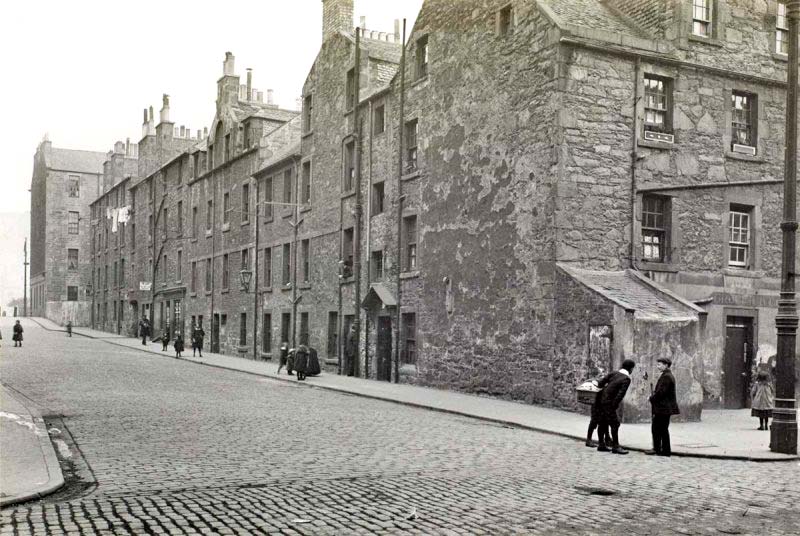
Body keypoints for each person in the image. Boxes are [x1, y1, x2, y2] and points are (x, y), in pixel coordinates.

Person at [596, 358, 636, 455]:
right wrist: (614, 405)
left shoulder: (613, 373)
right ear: (630, 369)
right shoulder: (626, 379)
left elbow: (600, 383)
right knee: (615, 424)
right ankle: (615, 446)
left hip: (601, 401)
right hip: (610, 403)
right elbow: (620, 394)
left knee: (602, 422)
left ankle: (601, 444)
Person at [647, 357, 680, 457]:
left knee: (658, 429)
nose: (658, 366)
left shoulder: (666, 376)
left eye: (659, 364)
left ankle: (659, 449)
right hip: (664, 408)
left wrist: (651, 398)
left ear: (666, 365)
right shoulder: (667, 375)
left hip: (663, 408)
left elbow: (661, 393)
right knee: (662, 429)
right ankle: (664, 450)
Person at [586, 379, 612, 448]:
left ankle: (607, 438)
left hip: (603, 404)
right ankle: (588, 440)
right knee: (594, 422)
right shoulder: (597, 382)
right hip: (596, 405)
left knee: (605, 421)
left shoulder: (609, 383)